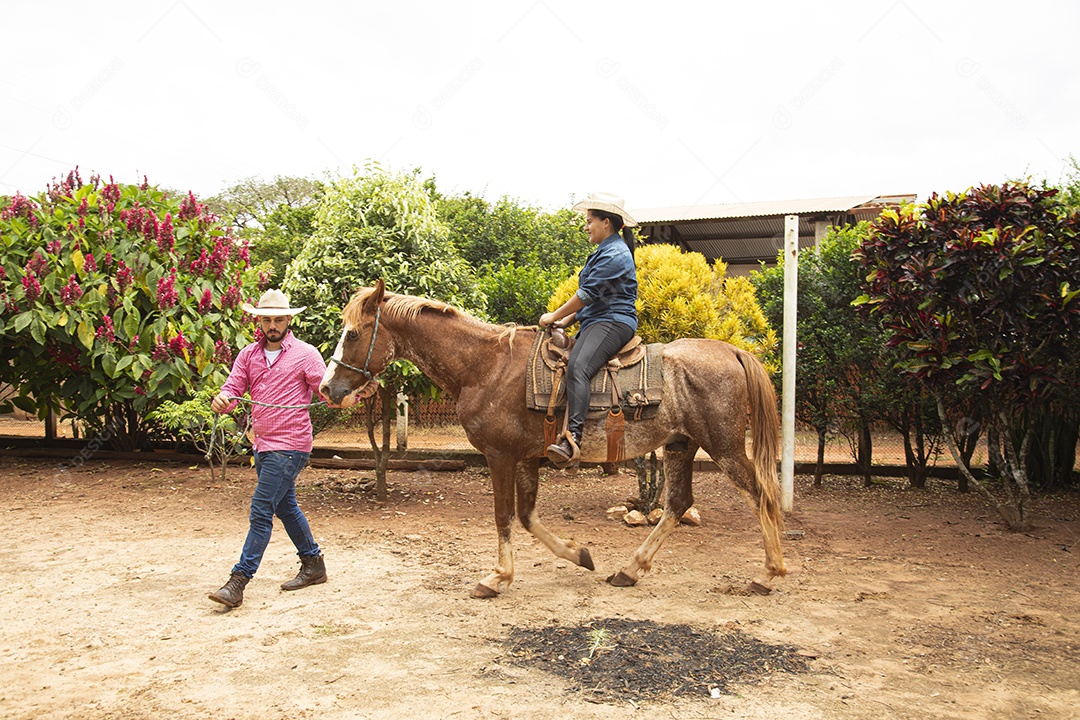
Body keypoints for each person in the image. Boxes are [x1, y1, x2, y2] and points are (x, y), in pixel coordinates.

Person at [207, 289, 329, 608]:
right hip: (261, 443)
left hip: (291, 446)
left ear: (289, 319)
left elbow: (327, 391)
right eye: (267, 319)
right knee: (285, 507)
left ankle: (238, 582)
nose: (272, 324)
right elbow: (232, 388)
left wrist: (353, 394)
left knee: (261, 510)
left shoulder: (306, 354)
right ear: (258, 321)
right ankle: (313, 564)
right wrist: (222, 400)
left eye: (278, 319)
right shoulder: (248, 354)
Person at [539, 192, 638, 469]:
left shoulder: (616, 254)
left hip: (613, 321)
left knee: (579, 368)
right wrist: (564, 322)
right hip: (598, 320)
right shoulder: (604, 252)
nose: (586, 227)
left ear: (606, 222)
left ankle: (572, 440)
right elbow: (590, 301)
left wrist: (555, 314)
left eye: (589, 221)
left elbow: (588, 294)